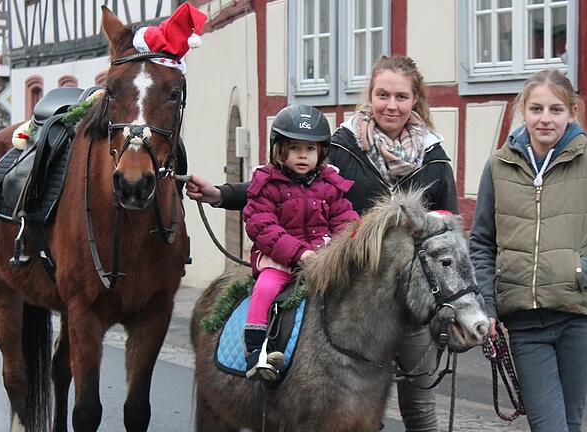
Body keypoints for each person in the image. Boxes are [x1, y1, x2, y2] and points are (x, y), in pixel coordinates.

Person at [187, 55, 456, 431]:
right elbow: (279, 188)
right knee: (328, 392)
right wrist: (221, 194)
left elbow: (446, 233)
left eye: (400, 97)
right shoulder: (342, 148)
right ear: (371, 96)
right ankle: (260, 356)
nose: (390, 105)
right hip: (350, 290)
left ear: (416, 101)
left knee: (419, 405)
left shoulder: (435, 158)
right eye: (382, 95)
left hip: (407, 300)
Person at [469, 69, 587, 432]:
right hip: (524, 322)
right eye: (536, 109)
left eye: (555, 109)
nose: (545, 118)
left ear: (572, 112)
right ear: (523, 112)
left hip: (580, 318)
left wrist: (582, 271)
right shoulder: (498, 167)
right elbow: (482, 242)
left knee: (569, 422)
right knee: (549, 426)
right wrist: (486, 305)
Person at [242, 104, 360, 381]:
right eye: (295, 148)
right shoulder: (267, 184)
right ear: (280, 150)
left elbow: (345, 218)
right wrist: (298, 254)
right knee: (265, 288)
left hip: (323, 256)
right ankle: (256, 352)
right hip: (280, 257)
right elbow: (262, 225)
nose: (303, 155)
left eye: (310, 149)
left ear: (320, 152)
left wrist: (343, 248)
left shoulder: (330, 184)